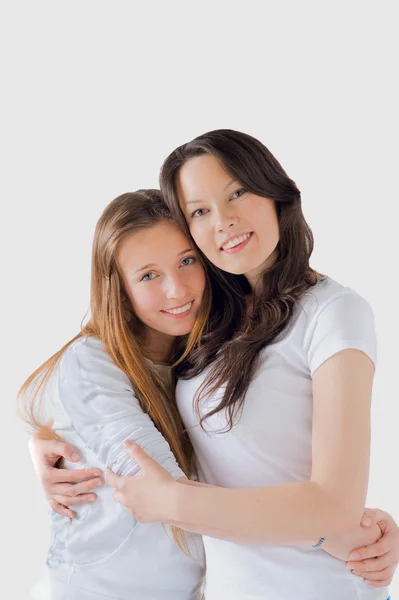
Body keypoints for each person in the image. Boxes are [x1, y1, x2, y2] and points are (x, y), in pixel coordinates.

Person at [29, 132, 397, 598]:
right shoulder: (214, 321)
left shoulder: (334, 312)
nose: (224, 221)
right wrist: (45, 444)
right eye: (200, 210)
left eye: (238, 192)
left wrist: (174, 502)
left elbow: (335, 504)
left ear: (274, 190)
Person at [19, 190, 207, 600]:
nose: (177, 289)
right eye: (148, 275)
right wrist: (317, 533)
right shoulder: (92, 361)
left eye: (187, 260)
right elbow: (160, 489)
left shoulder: (210, 352)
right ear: (118, 288)